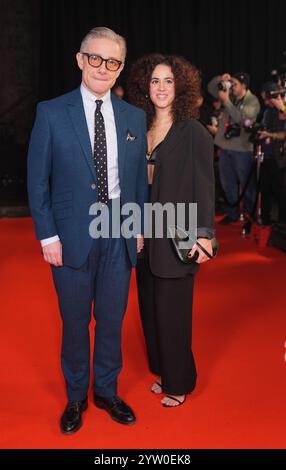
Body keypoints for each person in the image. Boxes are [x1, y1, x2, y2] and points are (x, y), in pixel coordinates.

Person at [27, 27, 148, 434]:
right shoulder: (51, 112)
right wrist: (48, 236)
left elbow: (137, 183)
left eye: (112, 61)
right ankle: (76, 396)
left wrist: (138, 228)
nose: (103, 67)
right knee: (75, 321)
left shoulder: (134, 117)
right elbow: (37, 181)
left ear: (120, 69)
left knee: (112, 320)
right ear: (80, 59)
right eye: (95, 58)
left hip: (119, 230)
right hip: (71, 235)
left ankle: (106, 392)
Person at [128, 54, 215, 407]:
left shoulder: (192, 131)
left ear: (180, 87)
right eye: (154, 81)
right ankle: (165, 372)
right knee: (150, 309)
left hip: (177, 232)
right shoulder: (139, 128)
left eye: (168, 81)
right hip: (144, 234)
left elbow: (204, 186)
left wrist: (205, 233)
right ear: (145, 88)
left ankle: (179, 383)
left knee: (173, 312)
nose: (161, 88)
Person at [208, 72, 260, 225]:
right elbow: (211, 88)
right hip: (225, 147)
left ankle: (250, 214)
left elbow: (243, 121)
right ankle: (233, 213)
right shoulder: (229, 95)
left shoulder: (252, 101)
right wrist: (220, 79)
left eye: (235, 84)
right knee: (227, 183)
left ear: (244, 86)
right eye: (232, 83)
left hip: (242, 150)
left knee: (246, 184)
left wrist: (227, 102)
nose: (232, 87)